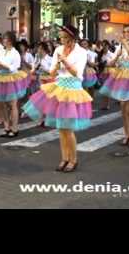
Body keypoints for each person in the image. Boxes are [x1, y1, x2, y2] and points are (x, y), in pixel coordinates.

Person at [24, 25, 92, 173]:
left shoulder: (81, 52)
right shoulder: (58, 50)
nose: (62, 40)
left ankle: (73, 160)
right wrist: (57, 66)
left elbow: (77, 73)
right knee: (61, 128)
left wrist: (65, 62)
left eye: (65, 37)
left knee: (68, 128)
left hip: (73, 90)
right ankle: (64, 158)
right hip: (59, 88)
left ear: (72, 38)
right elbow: (53, 73)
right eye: (61, 37)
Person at [0, 31, 28, 137]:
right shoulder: (1, 51)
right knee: (3, 104)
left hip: (11, 78)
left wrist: (5, 66)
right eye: (4, 38)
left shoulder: (15, 52)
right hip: (1, 77)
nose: (4, 40)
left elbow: (15, 66)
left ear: (11, 41)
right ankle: (6, 127)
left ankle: (15, 128)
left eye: (5, 39)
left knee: (13, 104)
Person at [97, 40, 115, 111]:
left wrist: (107, 64)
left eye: (105, 45)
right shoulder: (100, 54)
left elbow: (115, 64)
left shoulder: (111, 54)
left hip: (110, 72)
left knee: (107, 88)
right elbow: (98, 63)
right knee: (104, 88)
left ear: (108, 46)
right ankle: (105, 104)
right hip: (103, 72)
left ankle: (106, 104)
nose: (104, 47)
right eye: (103, 45)